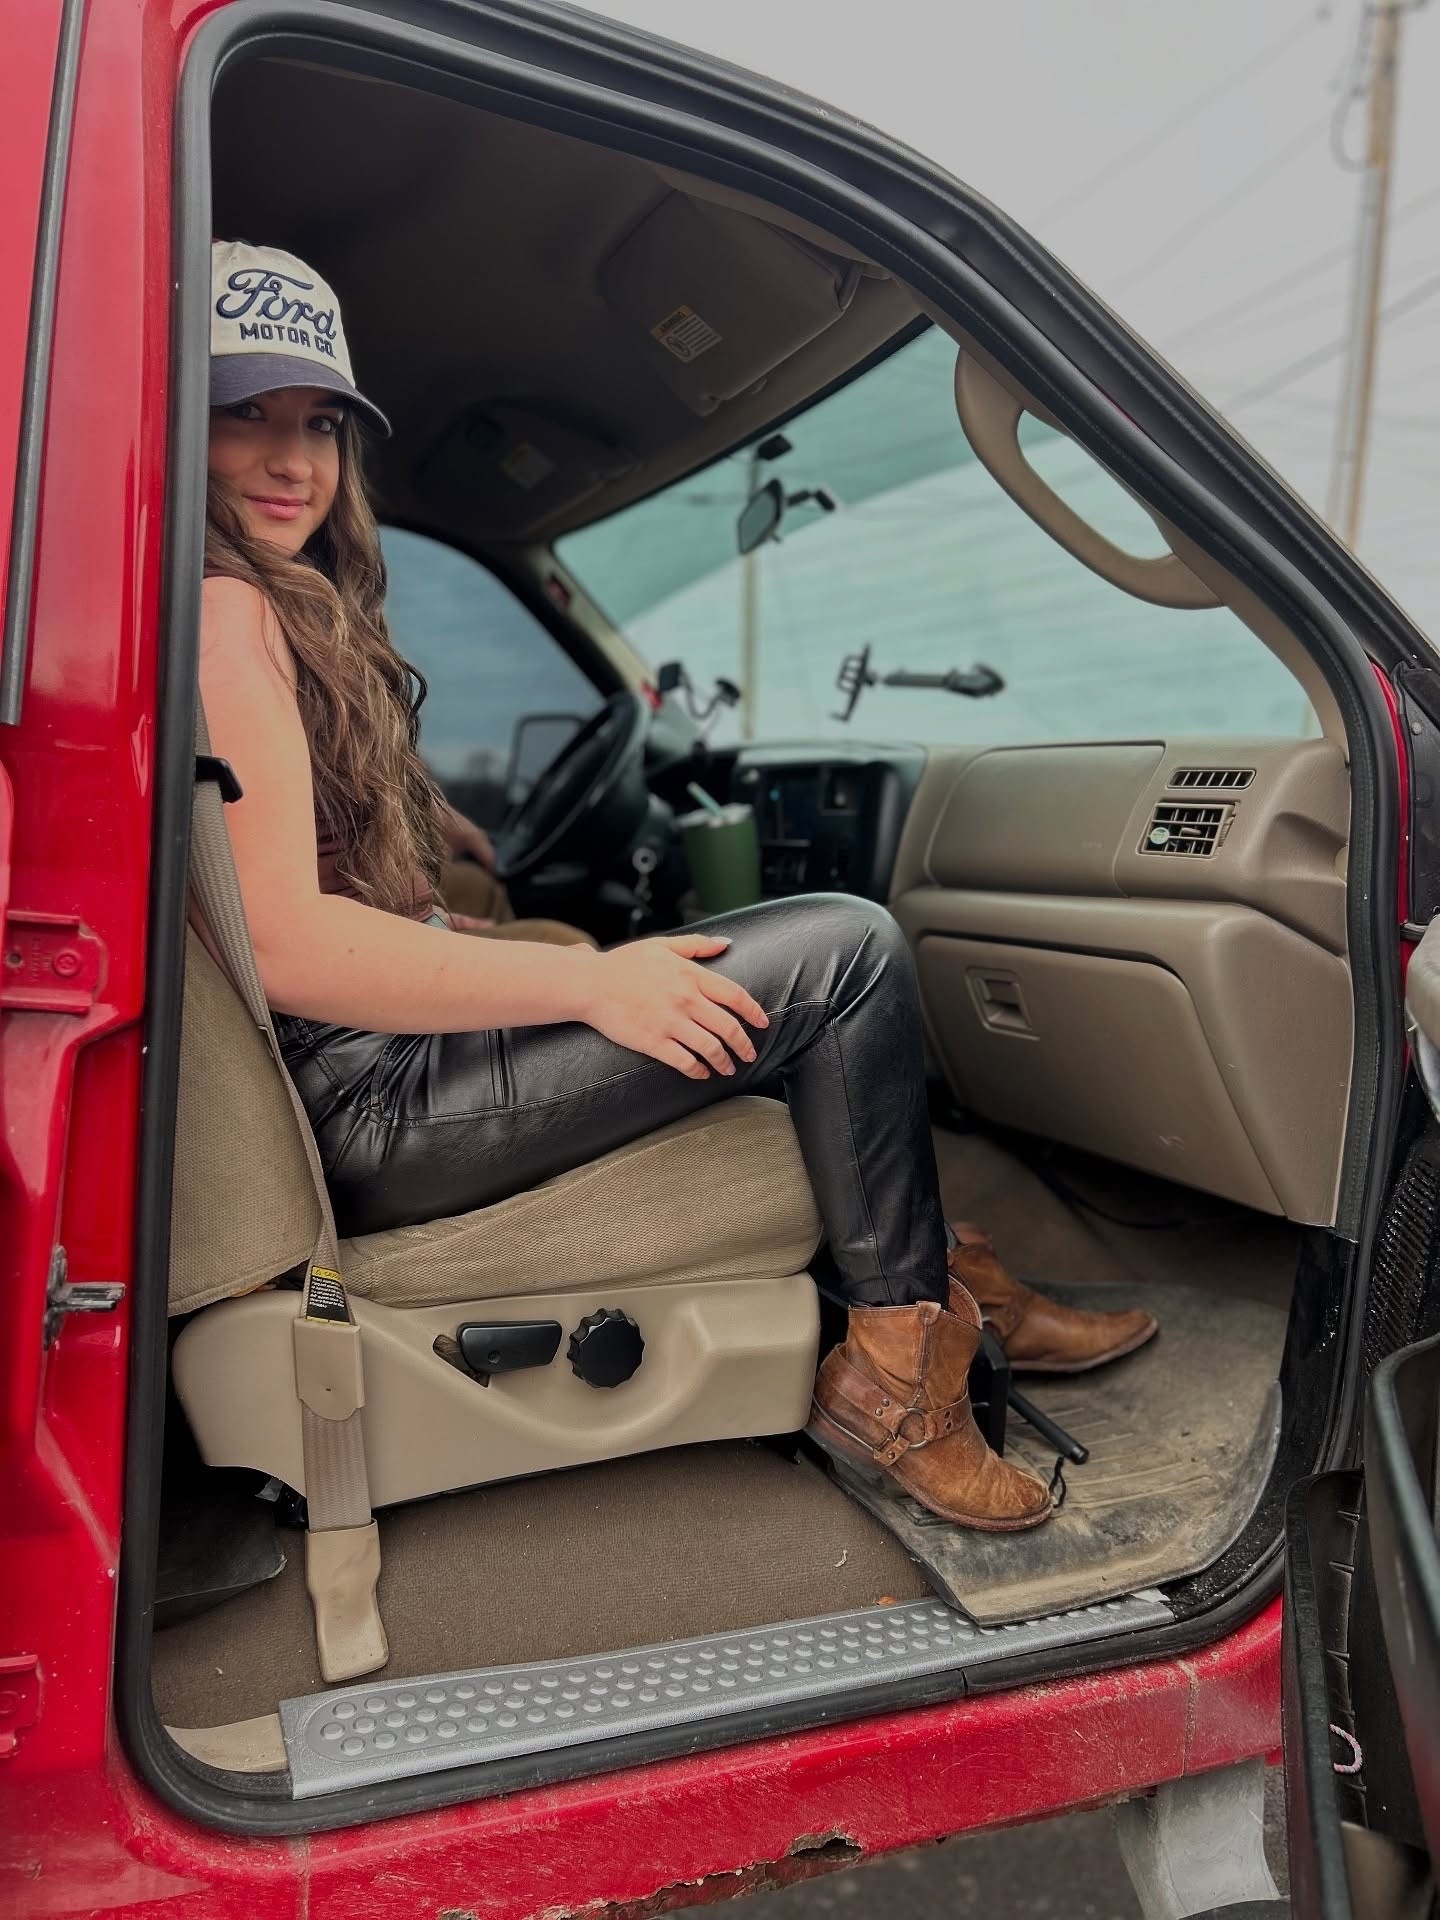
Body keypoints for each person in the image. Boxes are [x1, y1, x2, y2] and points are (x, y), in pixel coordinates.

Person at [199, 240, 1157, 1536]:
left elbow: (286, 810)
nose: (288, 458)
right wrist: (589, 977)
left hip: (364, 1080)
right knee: (844, 953)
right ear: (179, 430)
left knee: (740, 980)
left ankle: (942, 1281)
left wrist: (438, 826)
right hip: (368, 1105)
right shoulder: (224, 614)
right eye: (242, 414)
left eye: (317, 422)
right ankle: (894, 1377)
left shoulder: (273, 608)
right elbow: (288, 940)